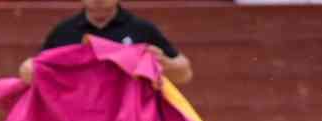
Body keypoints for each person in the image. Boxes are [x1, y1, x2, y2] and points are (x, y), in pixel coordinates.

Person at [19, 0, 192, 86]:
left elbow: (184, 74)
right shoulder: (64, 32)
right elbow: (31, 75)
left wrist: (165, 64)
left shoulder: (141, 29)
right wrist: (28, 69)